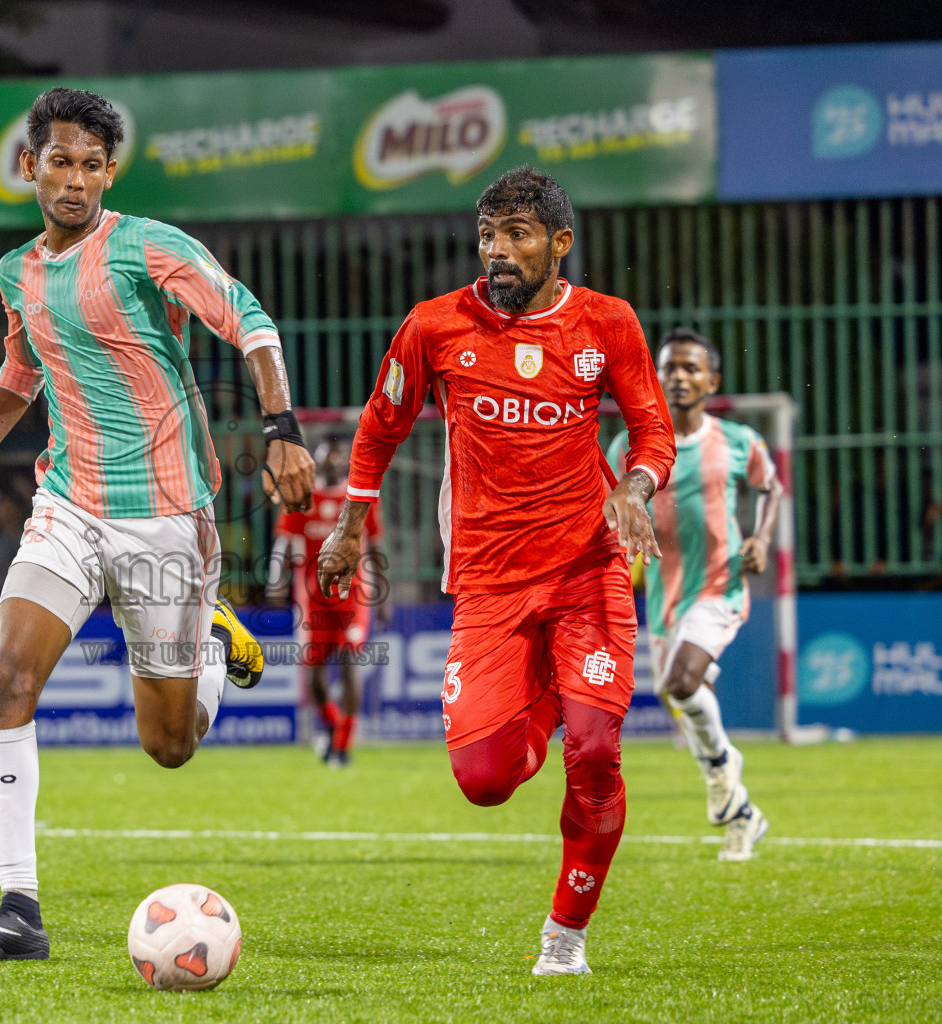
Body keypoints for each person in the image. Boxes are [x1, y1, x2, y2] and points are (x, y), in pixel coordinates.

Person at [0, 87, 314, 962]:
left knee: (169, 748)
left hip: (169, 519)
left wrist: (281, 426)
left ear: (111, 171)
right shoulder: (15, 273)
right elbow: (22, 369)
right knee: (5, 681)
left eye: (91, 166)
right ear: (30, 166)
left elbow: (249, 320)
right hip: (67, 504)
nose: (74, 180)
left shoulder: (147, 247)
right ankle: (20, 910)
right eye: (59, 162)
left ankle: (210, 644)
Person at [318, 167, 674, 976]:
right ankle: (552, 693)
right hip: (489, 582)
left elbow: (652, 430)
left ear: (559, 243)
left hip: (590, 568)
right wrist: (347, 527)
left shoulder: (607, 324)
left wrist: (639, 487)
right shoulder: (435, 326)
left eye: (515, 233)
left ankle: (565, 936)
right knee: (484, 781)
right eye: (487, 234)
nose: (497, 251)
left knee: (593, 750)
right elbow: (380, 428)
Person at [607, 328, 783, 861]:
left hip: (719, 584)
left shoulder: (736, 440)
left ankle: (726, 771)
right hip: (662, 594)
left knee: (682, 683)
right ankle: (741, 811)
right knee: (677, 692)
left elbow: (770, 487)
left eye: (690, 368)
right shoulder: (629, 447)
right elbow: (611, 507)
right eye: (669, 368)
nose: (678, 377)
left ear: (713, 380)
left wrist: (761, 538)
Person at [268, 434, 385, 768]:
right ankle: (334, 725)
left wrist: (385, 597)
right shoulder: (304, 496)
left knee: (350, 665)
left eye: (339, 456)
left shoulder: (361, 497)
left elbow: (374, 543)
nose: (334, 461)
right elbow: (283, 542)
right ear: (318, 460)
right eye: (327, 455)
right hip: (313, 599)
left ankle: (343, 747)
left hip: (353, 595)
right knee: (315, 675)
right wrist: (275, 580)